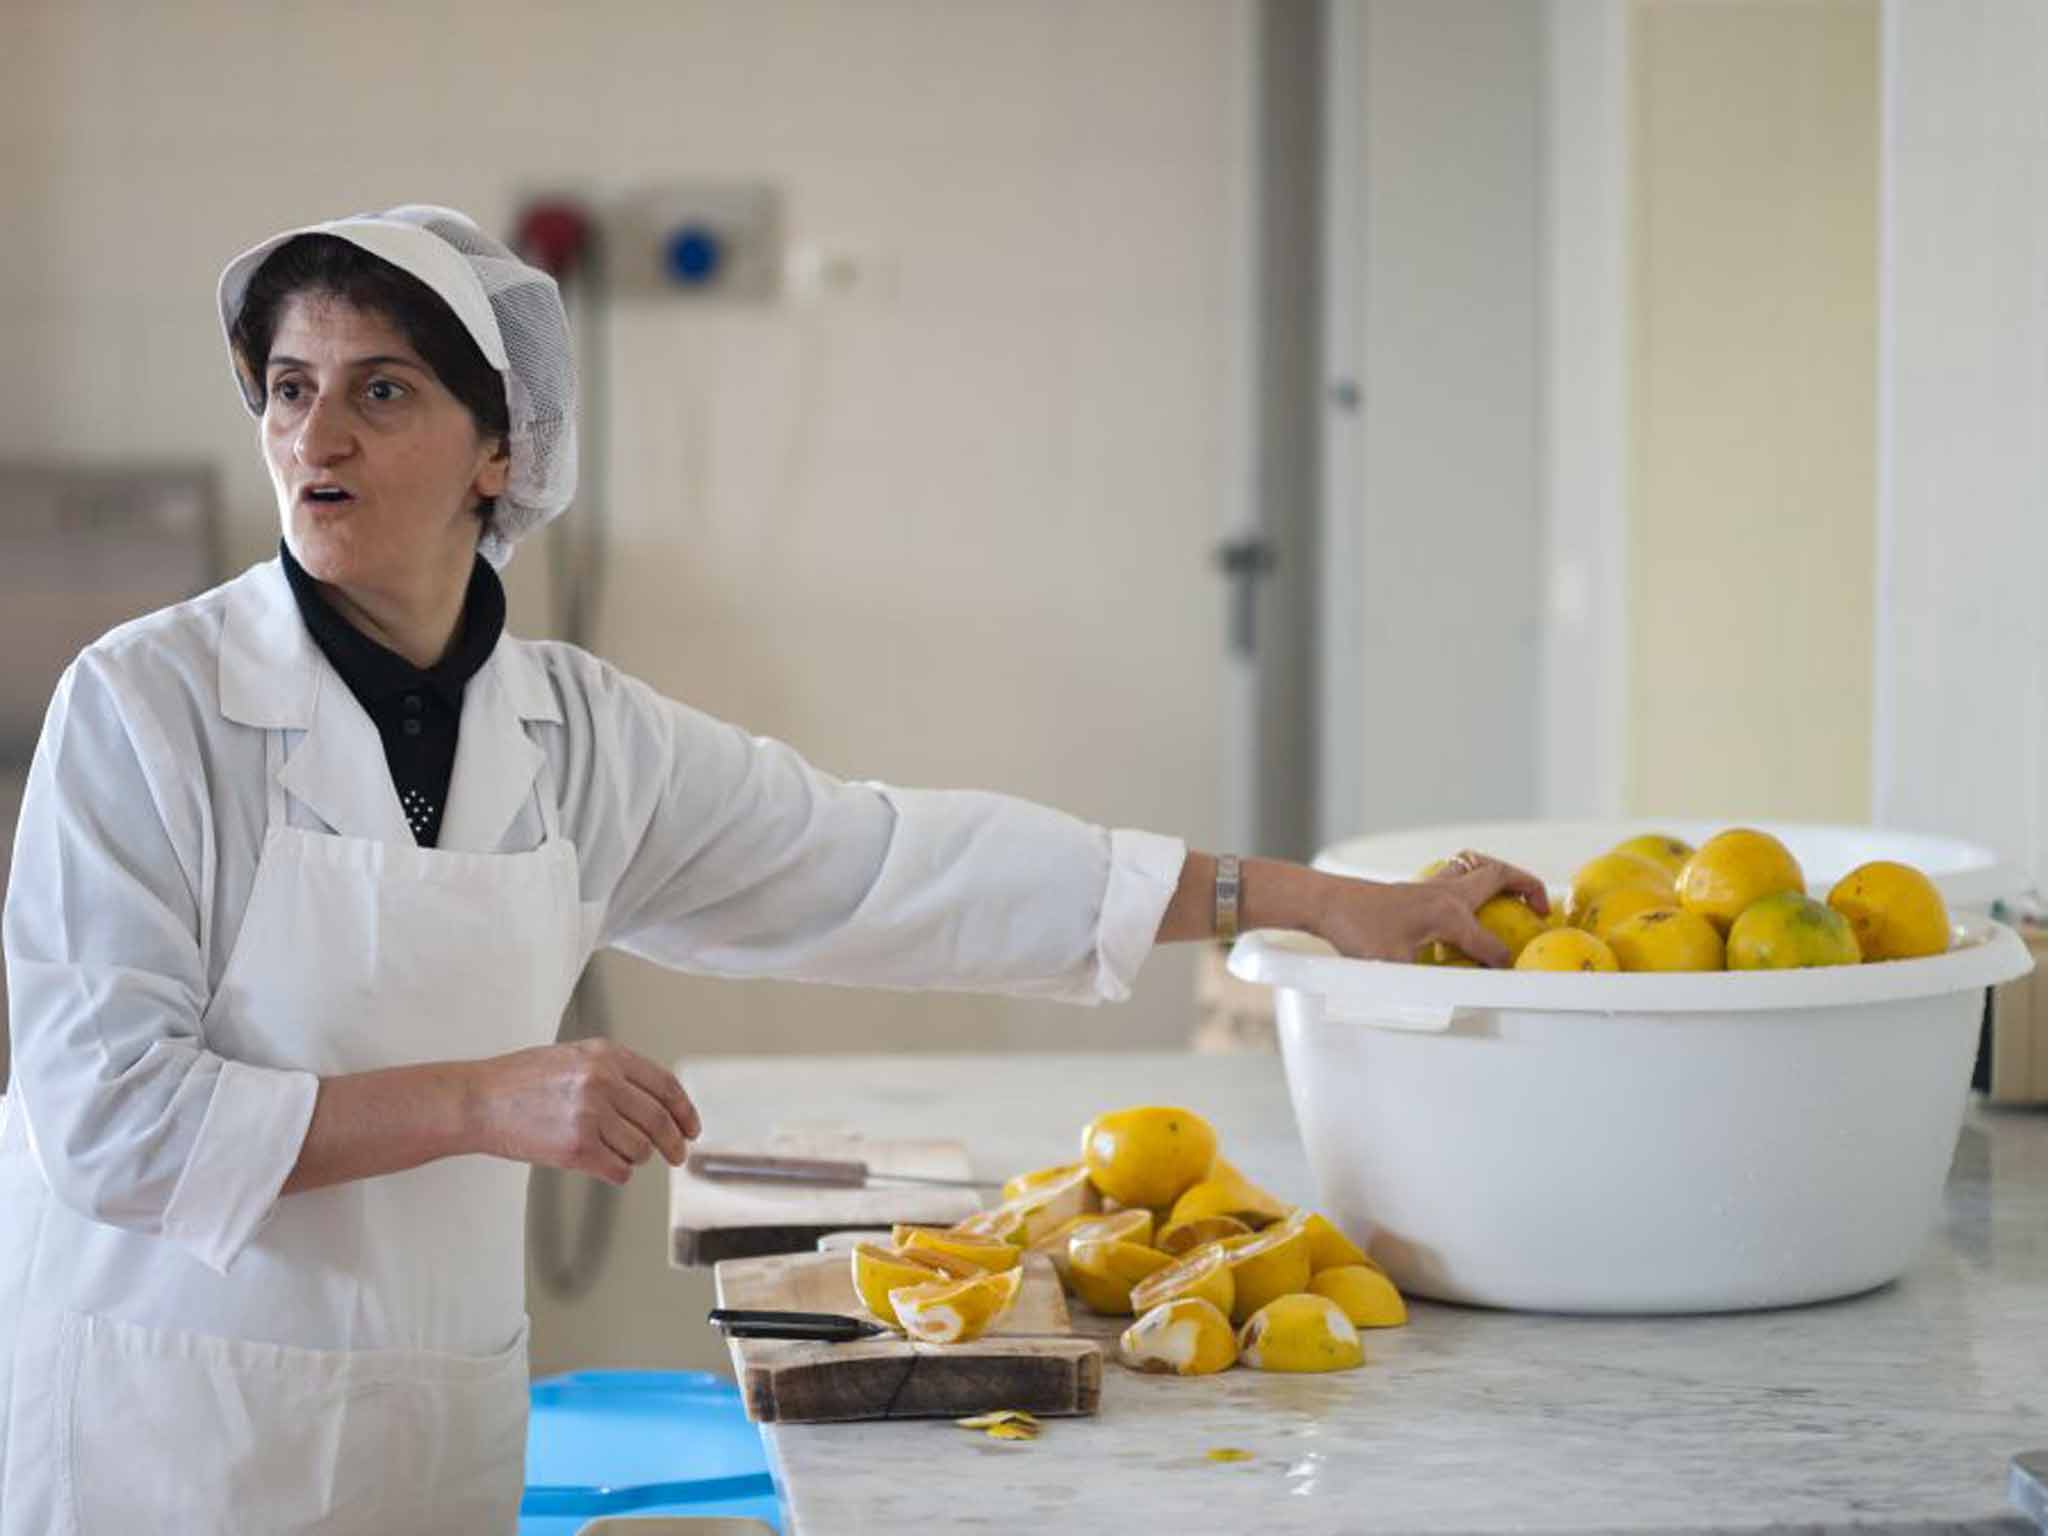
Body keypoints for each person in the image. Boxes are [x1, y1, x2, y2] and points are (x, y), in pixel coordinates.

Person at [0, 204, 1545, 1533]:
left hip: (426, 1427)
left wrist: (1303, 899)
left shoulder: (578, 734)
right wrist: (486, 1100)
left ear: (502, 451)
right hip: (166, 1437)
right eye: (287, 389)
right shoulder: (147, 707)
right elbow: (108, 1118)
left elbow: (890, 866)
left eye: (380, 393)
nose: (314, 439)